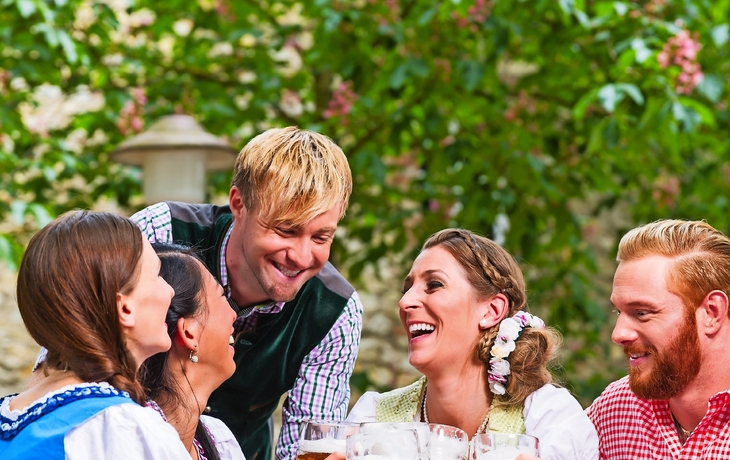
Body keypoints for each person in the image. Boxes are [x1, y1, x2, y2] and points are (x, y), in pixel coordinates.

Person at [131, 126, 363, 460]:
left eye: (321, 237)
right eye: (285, 230)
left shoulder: (335, 311)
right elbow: (83, 358)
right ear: (239, 203)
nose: (301, 257)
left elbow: (307, 444)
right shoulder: (157, 234)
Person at [347, 228, 599, 460]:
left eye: (434, 285)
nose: (405, 302)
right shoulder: (371, 419)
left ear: (492, 310)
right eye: (407, 289)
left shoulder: (549, 420)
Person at [0, 210, 189, 459]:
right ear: (125, 308)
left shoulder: (10, 418)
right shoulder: (122, 429)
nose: (170, 292)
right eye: (157, 275)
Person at [587, 219, 730, 459]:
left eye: (641, 313)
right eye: (618, 312)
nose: (618, 334)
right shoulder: (615, 409)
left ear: (712, 312)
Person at [140, 243, 244, 460]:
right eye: (222, 296)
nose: (234, 314)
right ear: (189, 332)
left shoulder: (219, 439)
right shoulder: (132, 439)